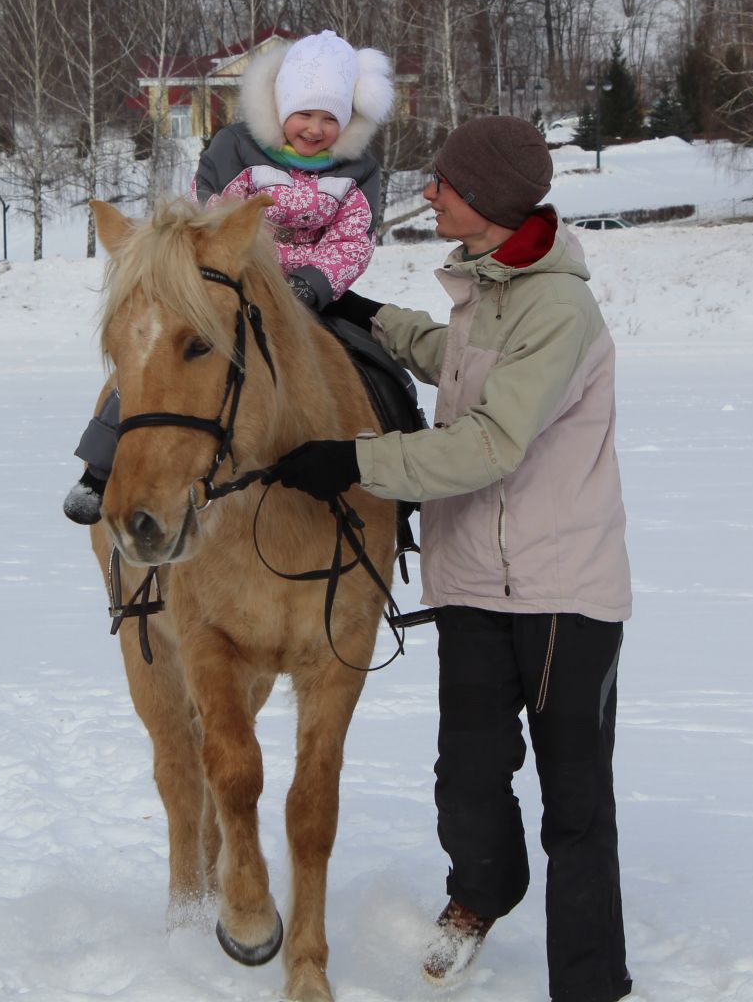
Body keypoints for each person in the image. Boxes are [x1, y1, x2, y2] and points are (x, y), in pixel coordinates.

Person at [266, 116, 634, 1002]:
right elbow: (453, 362)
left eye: (444, 183)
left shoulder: (558, 307)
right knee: (467, 781)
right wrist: (369, 317)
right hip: (472, 584)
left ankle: (589, 984)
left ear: (491, 200)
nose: (429, 193)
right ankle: (481, 895)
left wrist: (354, 461)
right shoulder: (487, 285)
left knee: (574, 803)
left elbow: (492, 441)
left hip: (562, 594)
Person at [63, 29, 394, 525]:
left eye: (330, 117)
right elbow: (215, 213)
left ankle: (397, 481)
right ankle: (102, 460)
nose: (315, 128)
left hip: (316, 290)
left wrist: (312, 283)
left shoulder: (358, 169)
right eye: (304, 113)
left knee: (381, 360)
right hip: (234, 281)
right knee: (159, 359)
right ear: (281, 107)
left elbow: (353, 238)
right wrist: (241, 270)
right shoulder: (236, 148)